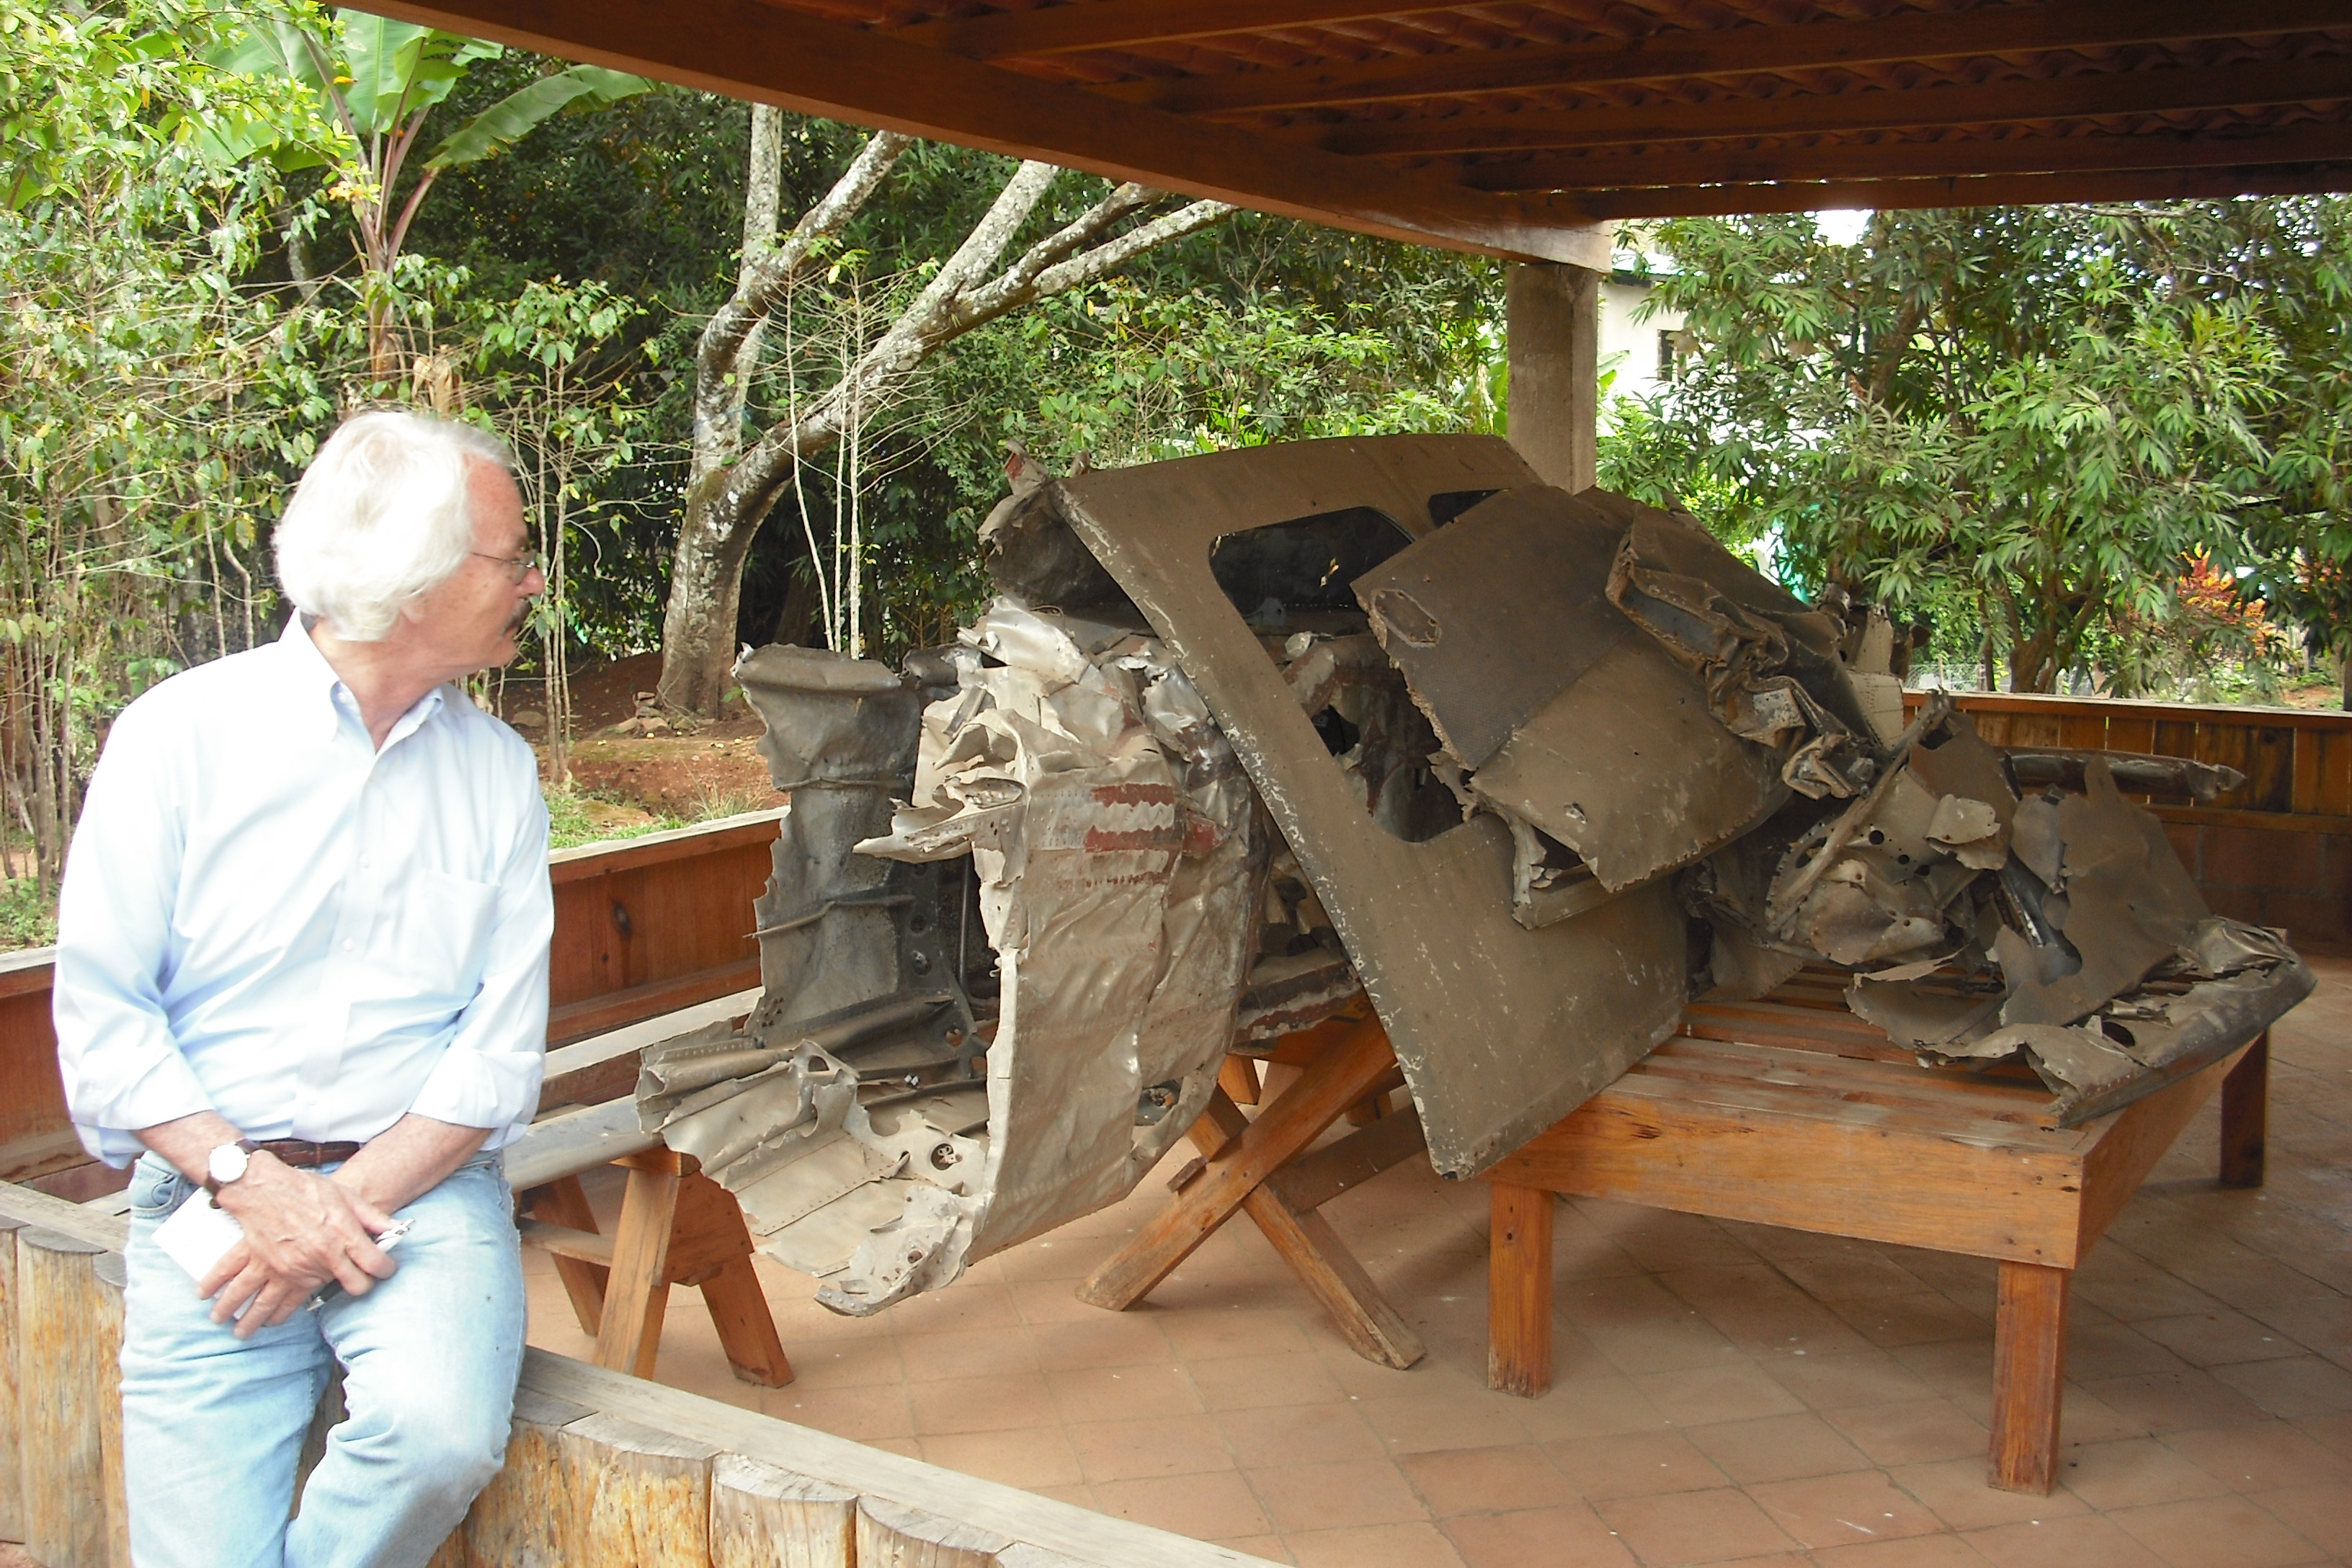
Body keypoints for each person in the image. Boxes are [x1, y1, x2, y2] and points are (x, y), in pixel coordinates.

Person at [53, 410, 554, 1567]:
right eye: (511, 557)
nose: (532, 580)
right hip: (209, 1196)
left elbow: (496, 1048)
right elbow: (105, 1018)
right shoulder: (179, 737)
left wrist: (326, 1213)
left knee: (436, 1438)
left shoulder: (498, 773)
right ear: (413, 579)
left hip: (420, 1194)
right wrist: (249, 1184)